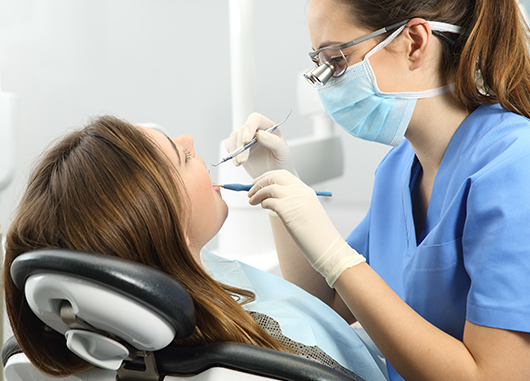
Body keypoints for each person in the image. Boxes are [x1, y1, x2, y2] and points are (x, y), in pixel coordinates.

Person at [225, 0, 530, 381]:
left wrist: (336, 253)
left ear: (414, 41)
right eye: (319, 64)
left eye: (337, 61)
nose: (324, 84)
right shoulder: (397, 170)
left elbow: (495, 376)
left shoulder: (514, 166)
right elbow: (326, 302)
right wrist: (278, 183)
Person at [2, 115, 387, 381]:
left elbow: (302, 306)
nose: (189, 139)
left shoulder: (104, 327)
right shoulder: (271, 356)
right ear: (173, 236)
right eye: (182, 157)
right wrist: (336, 257)